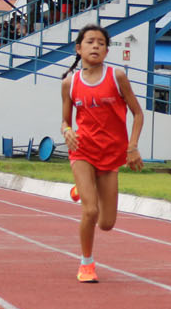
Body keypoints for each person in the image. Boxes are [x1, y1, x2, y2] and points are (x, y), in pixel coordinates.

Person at [60, 24, 144, 283]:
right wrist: (67, 132)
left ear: (107, 50)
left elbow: (138, 113)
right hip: (83, 151)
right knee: (90, 211)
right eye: (89, 42)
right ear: (79, 48)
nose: (95, 46)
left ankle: (83, 189)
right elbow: (65, 121)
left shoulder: (117, 77)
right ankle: (86, 264)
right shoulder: (69, 83)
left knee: (107, 223)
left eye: (100, 42)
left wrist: (132, 147)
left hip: (111, 155)